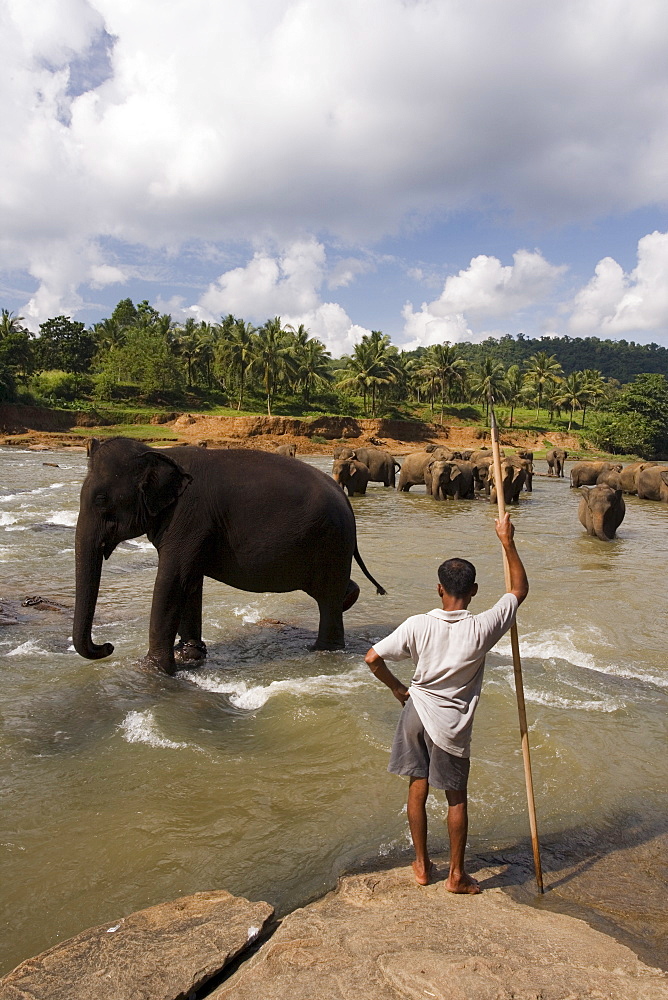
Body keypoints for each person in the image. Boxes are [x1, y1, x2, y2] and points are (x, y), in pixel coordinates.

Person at [364, 512, 528, 894]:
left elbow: (373, 658)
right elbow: (518, 591)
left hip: (415, 711)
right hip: (450, 725)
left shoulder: (418, 624)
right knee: (456, 797)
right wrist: (506, 541)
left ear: (439, 589)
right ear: (473, 591)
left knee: (416, 787)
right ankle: (455, 875)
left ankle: (422, 866)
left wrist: (396, 688)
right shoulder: (482, 627)